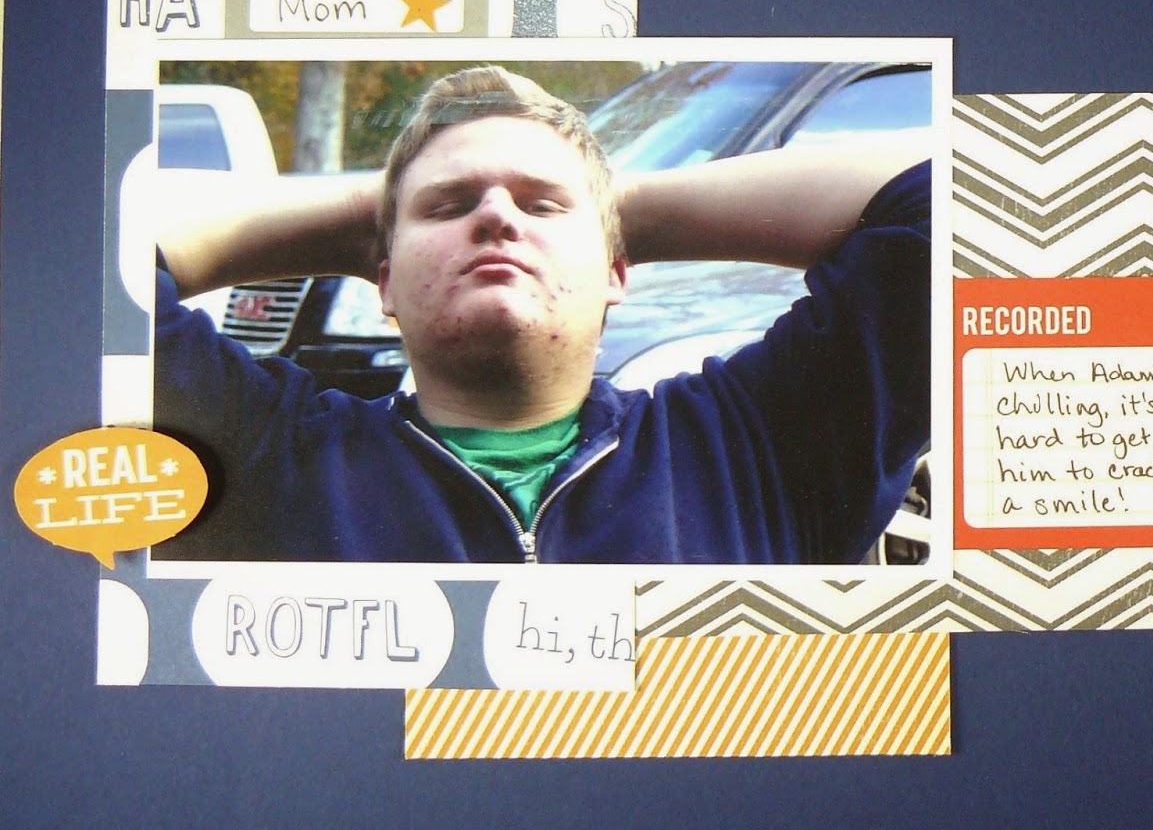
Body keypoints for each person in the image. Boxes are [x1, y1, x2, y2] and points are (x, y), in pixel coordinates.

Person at [152, 65, 931, 563]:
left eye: (539, 204)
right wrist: (366, 210)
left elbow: (951, 200)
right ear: (382, 281)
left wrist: (620, 206)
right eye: (449, 205)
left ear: (618, 271)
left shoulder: (759, 446)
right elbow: (97, 271)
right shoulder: (263, 459)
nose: (496, 215)